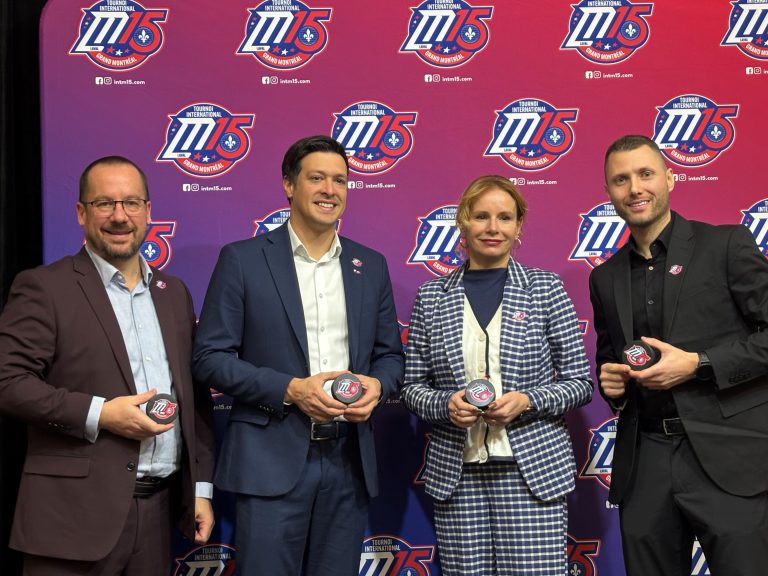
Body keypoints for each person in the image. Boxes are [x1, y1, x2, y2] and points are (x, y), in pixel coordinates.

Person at [192, 134, 404, 575]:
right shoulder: (243, 260)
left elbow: (390, 358)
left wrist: (377, 386)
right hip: (271, 461)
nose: (330, 190)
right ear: (289, 185)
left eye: (340, 180)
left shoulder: (371, 265)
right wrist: (289, 389)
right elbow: (209, 357)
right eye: (317, 178)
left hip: (348, 462)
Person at [0, 156, 216, 575]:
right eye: (105, 204)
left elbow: (195, 400)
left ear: (149, 212)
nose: (120, 216)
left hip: (159, 513)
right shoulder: (45, 287)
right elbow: (7, 381)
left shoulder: (174, 294)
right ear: (81, 213)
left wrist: (200, 490)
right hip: (71, 518)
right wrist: (101, 414)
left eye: (131, 203)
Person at [589, 134, 768, 575]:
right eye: (621, 179)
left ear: (670, 177)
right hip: (645, 459)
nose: (635, 189)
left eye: (646, 174)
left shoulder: (726, 245)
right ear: (609, 192)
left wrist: (699, 363)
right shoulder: (605, 278)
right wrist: (611, 387)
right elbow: (612, 360)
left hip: (729, 457)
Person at [402, 175, 593, 576]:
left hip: (532, 473)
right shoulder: (431, 297)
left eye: (505, 217)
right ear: (463, 223)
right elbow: (412, 387)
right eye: (482, 216)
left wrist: (528, 401)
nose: (493, 228)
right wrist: (445, 404)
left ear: (519, 226)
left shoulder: (545, 288)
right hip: (458, 475)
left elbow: (579, 382)